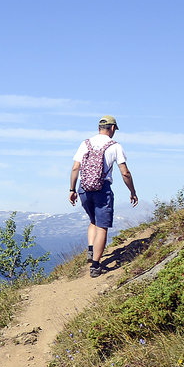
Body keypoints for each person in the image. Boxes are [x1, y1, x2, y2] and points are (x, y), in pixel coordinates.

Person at [69, 115, 138, 277]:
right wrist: (132, 192)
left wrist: (72, 190)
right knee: (102, 226)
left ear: (99, 128)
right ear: (113, 128)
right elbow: (125, 173)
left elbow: (75, 168)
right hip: (102, 189)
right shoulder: (115, 146)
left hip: (84, 188)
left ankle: (91, 249)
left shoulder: (85, 143)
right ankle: (95, 265)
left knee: (93, 221)